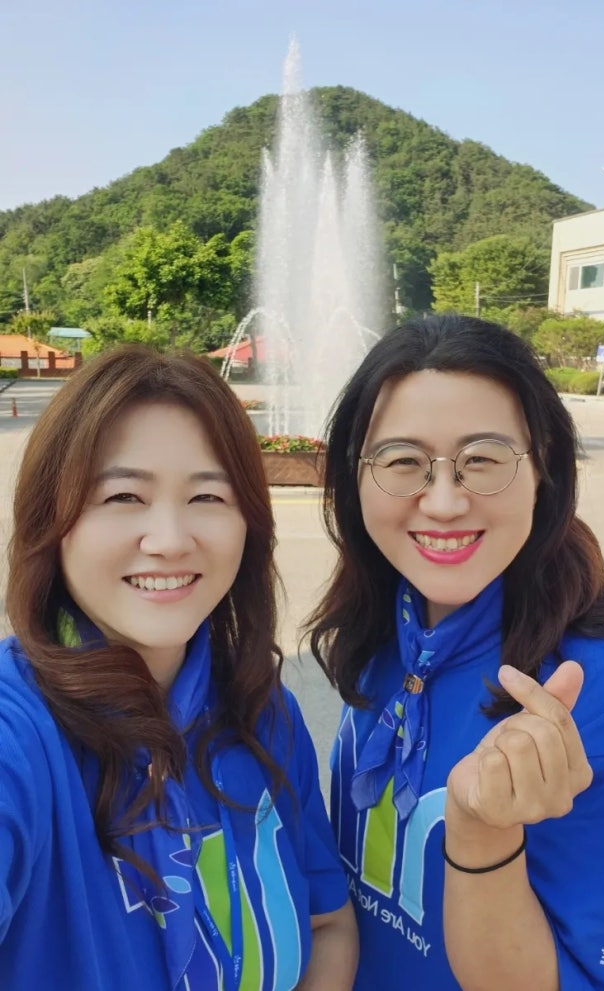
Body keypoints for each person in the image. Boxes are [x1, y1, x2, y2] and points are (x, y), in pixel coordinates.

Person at [307, 314, 604, 990]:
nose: (444, 502)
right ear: (355, 478)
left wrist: (483, 836)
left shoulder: (596, 685)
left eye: (482, 459)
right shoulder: (385, 621)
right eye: (402, 461)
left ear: (542, 469)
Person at [0, 345, 357, 990]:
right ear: (51, 520)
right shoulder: (20, 735)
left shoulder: (261, 709)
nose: (169, 540)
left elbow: (328, 922)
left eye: (208, 496)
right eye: (123, 495)